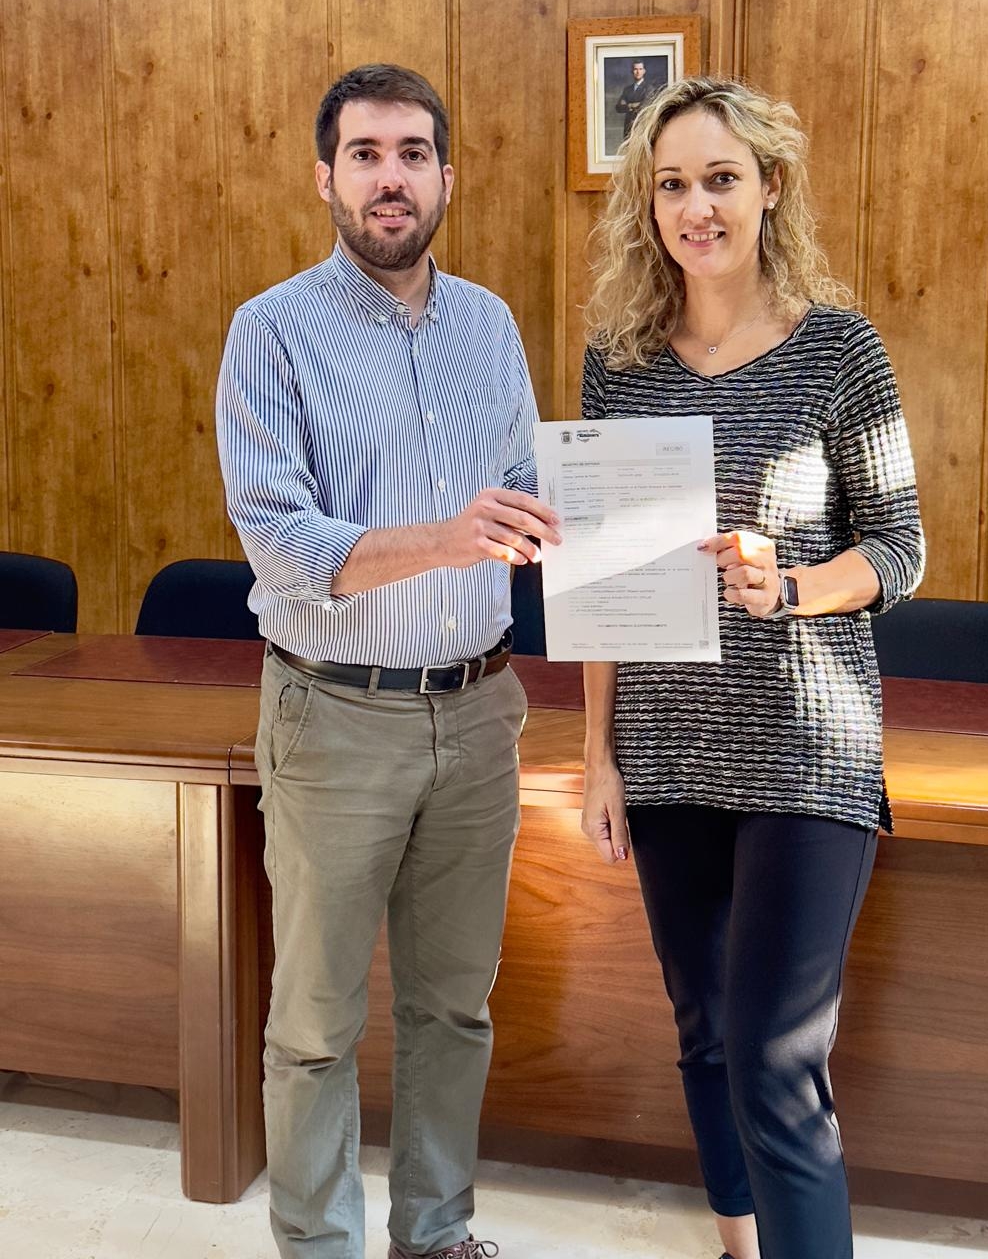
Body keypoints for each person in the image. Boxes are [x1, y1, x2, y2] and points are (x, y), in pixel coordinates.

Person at [216, 63, 559, 1259]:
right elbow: (285, 541)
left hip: (477, 715)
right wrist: (444, 537)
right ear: (326, 178)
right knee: (314, 1020)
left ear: (446, 176)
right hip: (335, 715)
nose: (390, 176)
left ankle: (436, 1231)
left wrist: (648, 520)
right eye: (365, 154)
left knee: (450, 1007)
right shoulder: (270, 332)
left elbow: (529, 498)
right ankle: (318, 1246)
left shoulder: (491, 323)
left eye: (412, 152)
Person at [578, 75, 924, 1259]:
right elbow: (606, 587)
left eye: (721, 178)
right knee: (707, 1031)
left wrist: (793, 584)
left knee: (779, 1057)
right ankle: (738, 1243)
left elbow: (900, 544)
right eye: (672, 183)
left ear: (770, 187)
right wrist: (597, 754)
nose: (697, 206)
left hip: (808, 748)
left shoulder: (839, 349)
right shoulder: (618, 364)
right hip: (668, 747)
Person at [614, 57, 656, 140]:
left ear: (644, 71)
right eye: (635, 69)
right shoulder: (627, 89)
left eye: (640, 69)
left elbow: (645, 106)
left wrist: (628, 105)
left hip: (642, 126)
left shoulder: (649, 88)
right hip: (628, 128)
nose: (638, 72)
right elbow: (618, 107)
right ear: (632, 71)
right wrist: (632, 105)